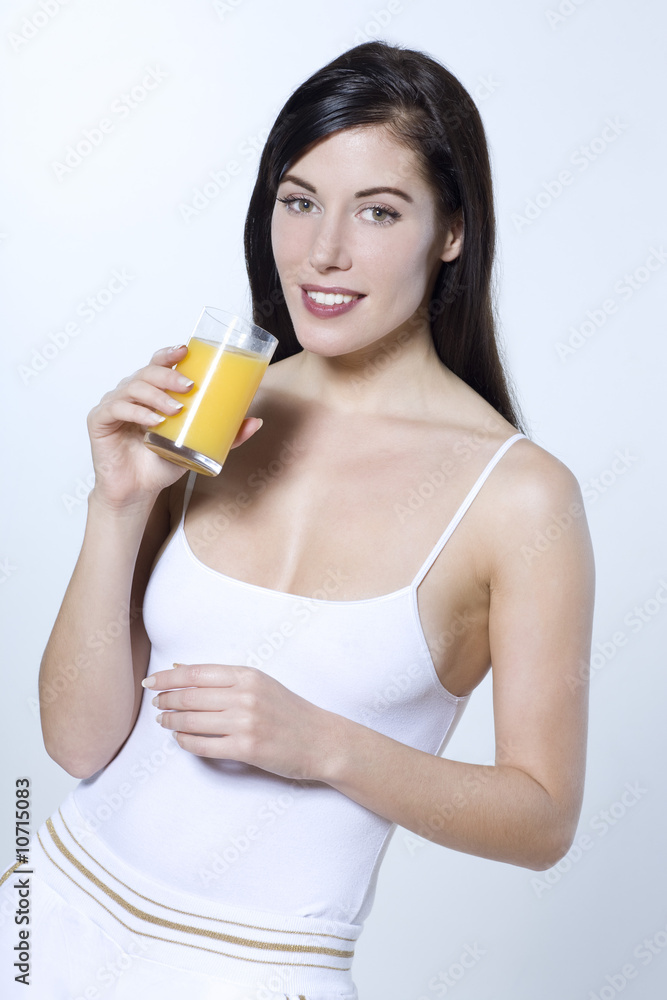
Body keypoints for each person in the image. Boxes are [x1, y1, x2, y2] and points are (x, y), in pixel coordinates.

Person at [0, 40, 594, 1000]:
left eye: (378, 211)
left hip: (256, 970)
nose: (322, 252)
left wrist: (321, 744)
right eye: (299, 200)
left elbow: (541, 820)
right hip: (41, 921)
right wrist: (117, 508)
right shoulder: (214, 409)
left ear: (451, 230)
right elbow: (75, 745)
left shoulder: (519, 497)